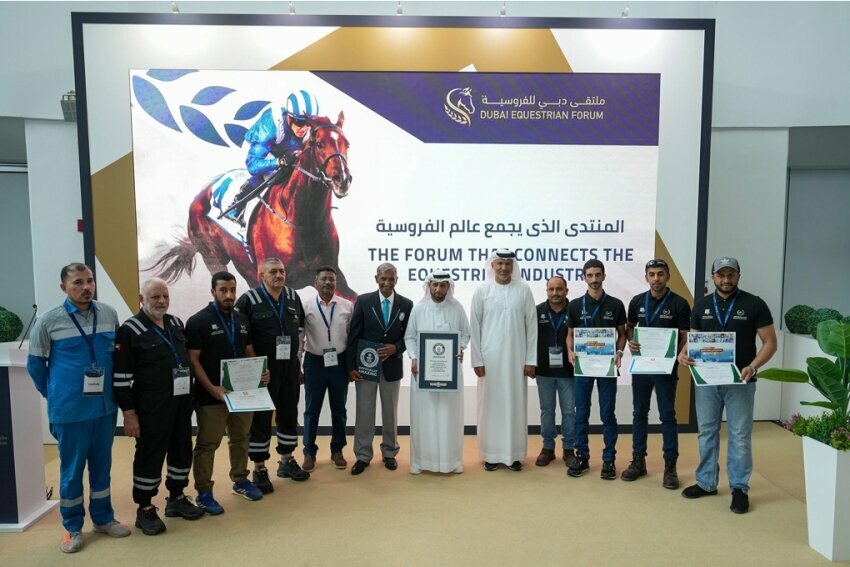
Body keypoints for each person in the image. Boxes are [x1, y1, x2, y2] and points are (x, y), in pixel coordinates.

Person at [26, 263, 131, 553]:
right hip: (70, 411)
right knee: (72, 471)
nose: (86, 287)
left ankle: (103, 518)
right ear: (64, 287)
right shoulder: (48, 321)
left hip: (104, 408)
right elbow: (35, 366)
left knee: (102, 467)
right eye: (77, 282)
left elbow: (116, 356)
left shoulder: (108, 314)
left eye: (90, 281)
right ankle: (72, 527)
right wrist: (55, 394)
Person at [678, 257, 777, 514]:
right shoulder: (701, 305)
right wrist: (683, 354)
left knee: (739, 435)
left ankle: (739, 488)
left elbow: (770, 342)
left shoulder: (754, 304)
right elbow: (694, 340)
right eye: (721, 275)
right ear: (713, 276)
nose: (726, 279)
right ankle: (706, 482)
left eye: (730, 274)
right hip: (707, 381)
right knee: (707, 432)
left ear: (738, 276)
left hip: (741, 381)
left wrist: (753, 366)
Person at [113, 278, 204, 536]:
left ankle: (176, 497)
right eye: (155, 297)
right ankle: (144, 508)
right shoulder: (129, 330)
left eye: (165, 296)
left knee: (181, 450)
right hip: (151, 407)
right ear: (141, 299)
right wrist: (129, 415)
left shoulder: (175, 323)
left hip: (181, 404)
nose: (162, 301)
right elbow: (120, 379)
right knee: (150, 455)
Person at [186, 271, 269, 514]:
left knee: (241, 437)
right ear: (213, 291)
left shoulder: (242, 320)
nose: (229, 295)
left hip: (242, 394)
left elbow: (249, 351)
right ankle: (204, 492)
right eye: (223, 290)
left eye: (232, 289)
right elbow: (193, 360)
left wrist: (261, 371)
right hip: (211, 395)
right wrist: (212, 388)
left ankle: (240, 480)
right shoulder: (198, 321)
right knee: (208, 443)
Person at [235, 258, 309, 493]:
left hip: (289, 367)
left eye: (282, 271)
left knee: (288, 412)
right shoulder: (249, 300)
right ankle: (259, 467)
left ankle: (286, 460)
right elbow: (240, 336)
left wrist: (298, 363)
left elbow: (299, 331)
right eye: (273, 271)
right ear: (262, 275)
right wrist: (253, 367)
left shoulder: (293, 297)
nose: (279, 275)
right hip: (263, 371)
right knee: (261, 418)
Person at [622, 259, 691, 488]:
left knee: (667, 415)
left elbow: (685, 335)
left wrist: (679, 353)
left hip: (665, 368)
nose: (656, 278)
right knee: (639, 413)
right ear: (646, 277)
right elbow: (629, 327)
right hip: (642, 367)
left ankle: (670, 467)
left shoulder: (680, 303)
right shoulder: (637, 301)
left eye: (660, 274)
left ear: (667, 276)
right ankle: (638, 461)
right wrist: (631, 341)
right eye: (651, 274)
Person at [470, 249, 537, 472]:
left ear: (513, 266)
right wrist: (477, 360)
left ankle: (513, 455)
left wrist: (531, 359)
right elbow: (474, 327)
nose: (504, 268)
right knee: (490, 406)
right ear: (492, 265)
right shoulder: (482, 290)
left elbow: (532, 327)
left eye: (508, 264)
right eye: (500, 263)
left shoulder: (523, 290)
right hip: (490, 361)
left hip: (517, 360)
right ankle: (491, 454)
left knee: (514, 405)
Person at [346, 263, 413, 475]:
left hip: (392, 367)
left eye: (391, 279)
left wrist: (397, 348)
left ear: (396, 280)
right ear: (376, 279)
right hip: (366, 367)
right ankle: (363, 455)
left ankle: (390, 452)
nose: (387, 283)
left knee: (390, 413)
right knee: (364, 412)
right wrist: (350, 366)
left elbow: (409, 336)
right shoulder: (364, 301)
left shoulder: (406, 304)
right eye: (383, 278)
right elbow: (354, 334)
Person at [404, 270, 471, 474]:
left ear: (448, 287)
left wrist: (459, 348)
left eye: (443, 285)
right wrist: (414, 357)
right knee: (424, 416)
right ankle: (420, 462)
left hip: (450, 373)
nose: (438, 289)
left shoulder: (457, 308)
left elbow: (466, 333)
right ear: (429, 286)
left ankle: (452, 461)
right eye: (435, 285)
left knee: (449, 416)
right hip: (423, 373)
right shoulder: (419, 309)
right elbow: (410, 337)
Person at [566, 259, 627, 480]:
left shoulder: (616, 304)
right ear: (584, 277)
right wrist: (570, 351)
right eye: (590, 275)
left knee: (607, 414)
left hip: (607, 367)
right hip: (583, 366)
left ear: (604, 276)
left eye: (597, 275)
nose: (594, 279)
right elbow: (570, 335)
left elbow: (622, 334)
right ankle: (582, 456)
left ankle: (609, 459)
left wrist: (619, 352)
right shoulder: (574, 305)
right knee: (581, 413)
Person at [228, 91, 320, 225]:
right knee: (271, 175)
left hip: (286, 149)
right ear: (289, 117)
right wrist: (279, 161)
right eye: (300, 122)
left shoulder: (308, 129)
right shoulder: (270, 128)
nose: (305, 129)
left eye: (309, 123)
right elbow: (252, 165)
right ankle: (236, 207)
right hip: (261, 152)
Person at [301, 265, 354, 471]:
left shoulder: (347, 306)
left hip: (339, 363)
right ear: (315, 282)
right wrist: (298, 363)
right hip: (314, 362)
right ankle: (309, 452)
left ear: (336, 282)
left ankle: (337, 450)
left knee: (339, 409)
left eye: (331, 279)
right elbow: (300, 338)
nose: (328, 282)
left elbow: (352, 339)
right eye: (323, 279)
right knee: (311, 410)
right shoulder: (306, 306)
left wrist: (350, 366)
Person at [533, 275, 576, 468]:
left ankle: (569, 449)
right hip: (544, 370)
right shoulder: (537, 311)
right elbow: (529, 339)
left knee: (569, 412)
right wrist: (530, 363)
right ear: (547, 291)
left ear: (566, 290)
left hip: (569, 371)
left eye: (559, 289)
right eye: (551, 289)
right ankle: (548, 448)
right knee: (547, 411)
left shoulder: (575, 310)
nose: (555, 293)